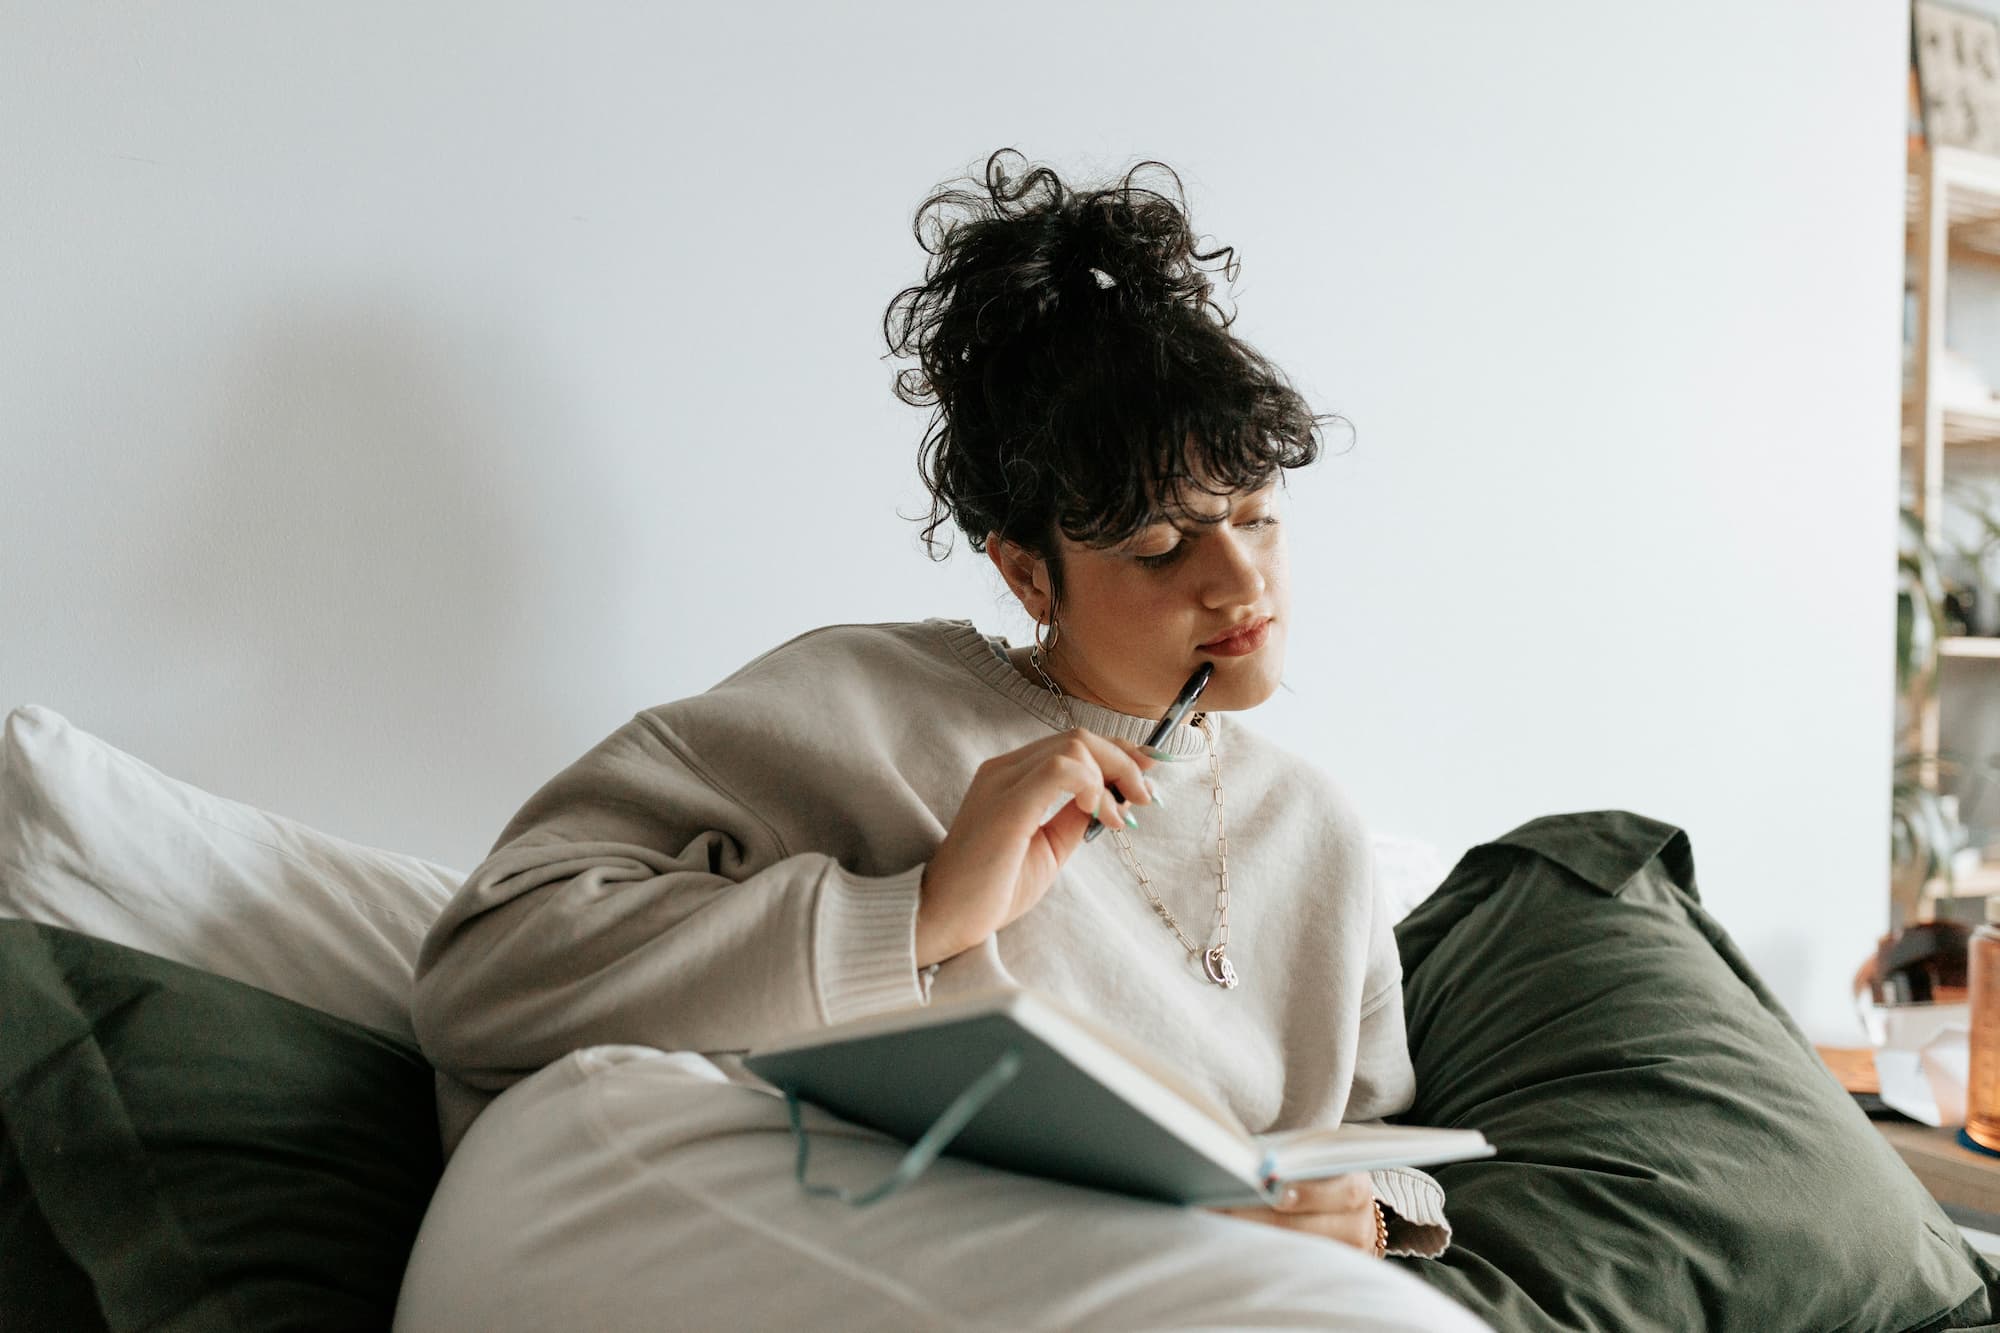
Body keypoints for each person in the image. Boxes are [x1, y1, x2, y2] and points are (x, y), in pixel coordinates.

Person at [397, 148, 1485, 1333]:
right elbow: (483, 970)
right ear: (1026, 571)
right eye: (1162, 549)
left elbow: (1374, 1135)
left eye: (1259, 517)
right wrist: (918, 915)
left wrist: (1368, 1214)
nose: (1239, 581)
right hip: (791, 1236)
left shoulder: (1315, 830)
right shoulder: (854, 697)